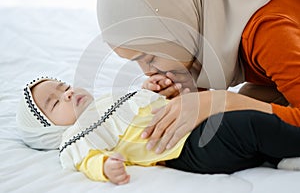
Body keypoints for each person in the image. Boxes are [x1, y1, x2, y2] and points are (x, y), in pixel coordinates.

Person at [97, 0, 300, 155]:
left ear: (178, 26)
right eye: (136, 61)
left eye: (150, 58)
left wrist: (223, 102)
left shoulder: (268, 29)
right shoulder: (218, 19)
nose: (147, 72)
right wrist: (188, 93)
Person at [16, 77, 300, 185]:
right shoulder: (74, 136)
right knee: (245, 125)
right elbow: (85, 159)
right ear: (50, 131)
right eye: (54, 103)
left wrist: (149, 91)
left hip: (188, 122)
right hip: (183, 147)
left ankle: (278, 157)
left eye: (64, 87)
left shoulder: (104, 101)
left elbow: (139, 108)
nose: (67, 94)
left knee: (242, 109)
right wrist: (105, 167)